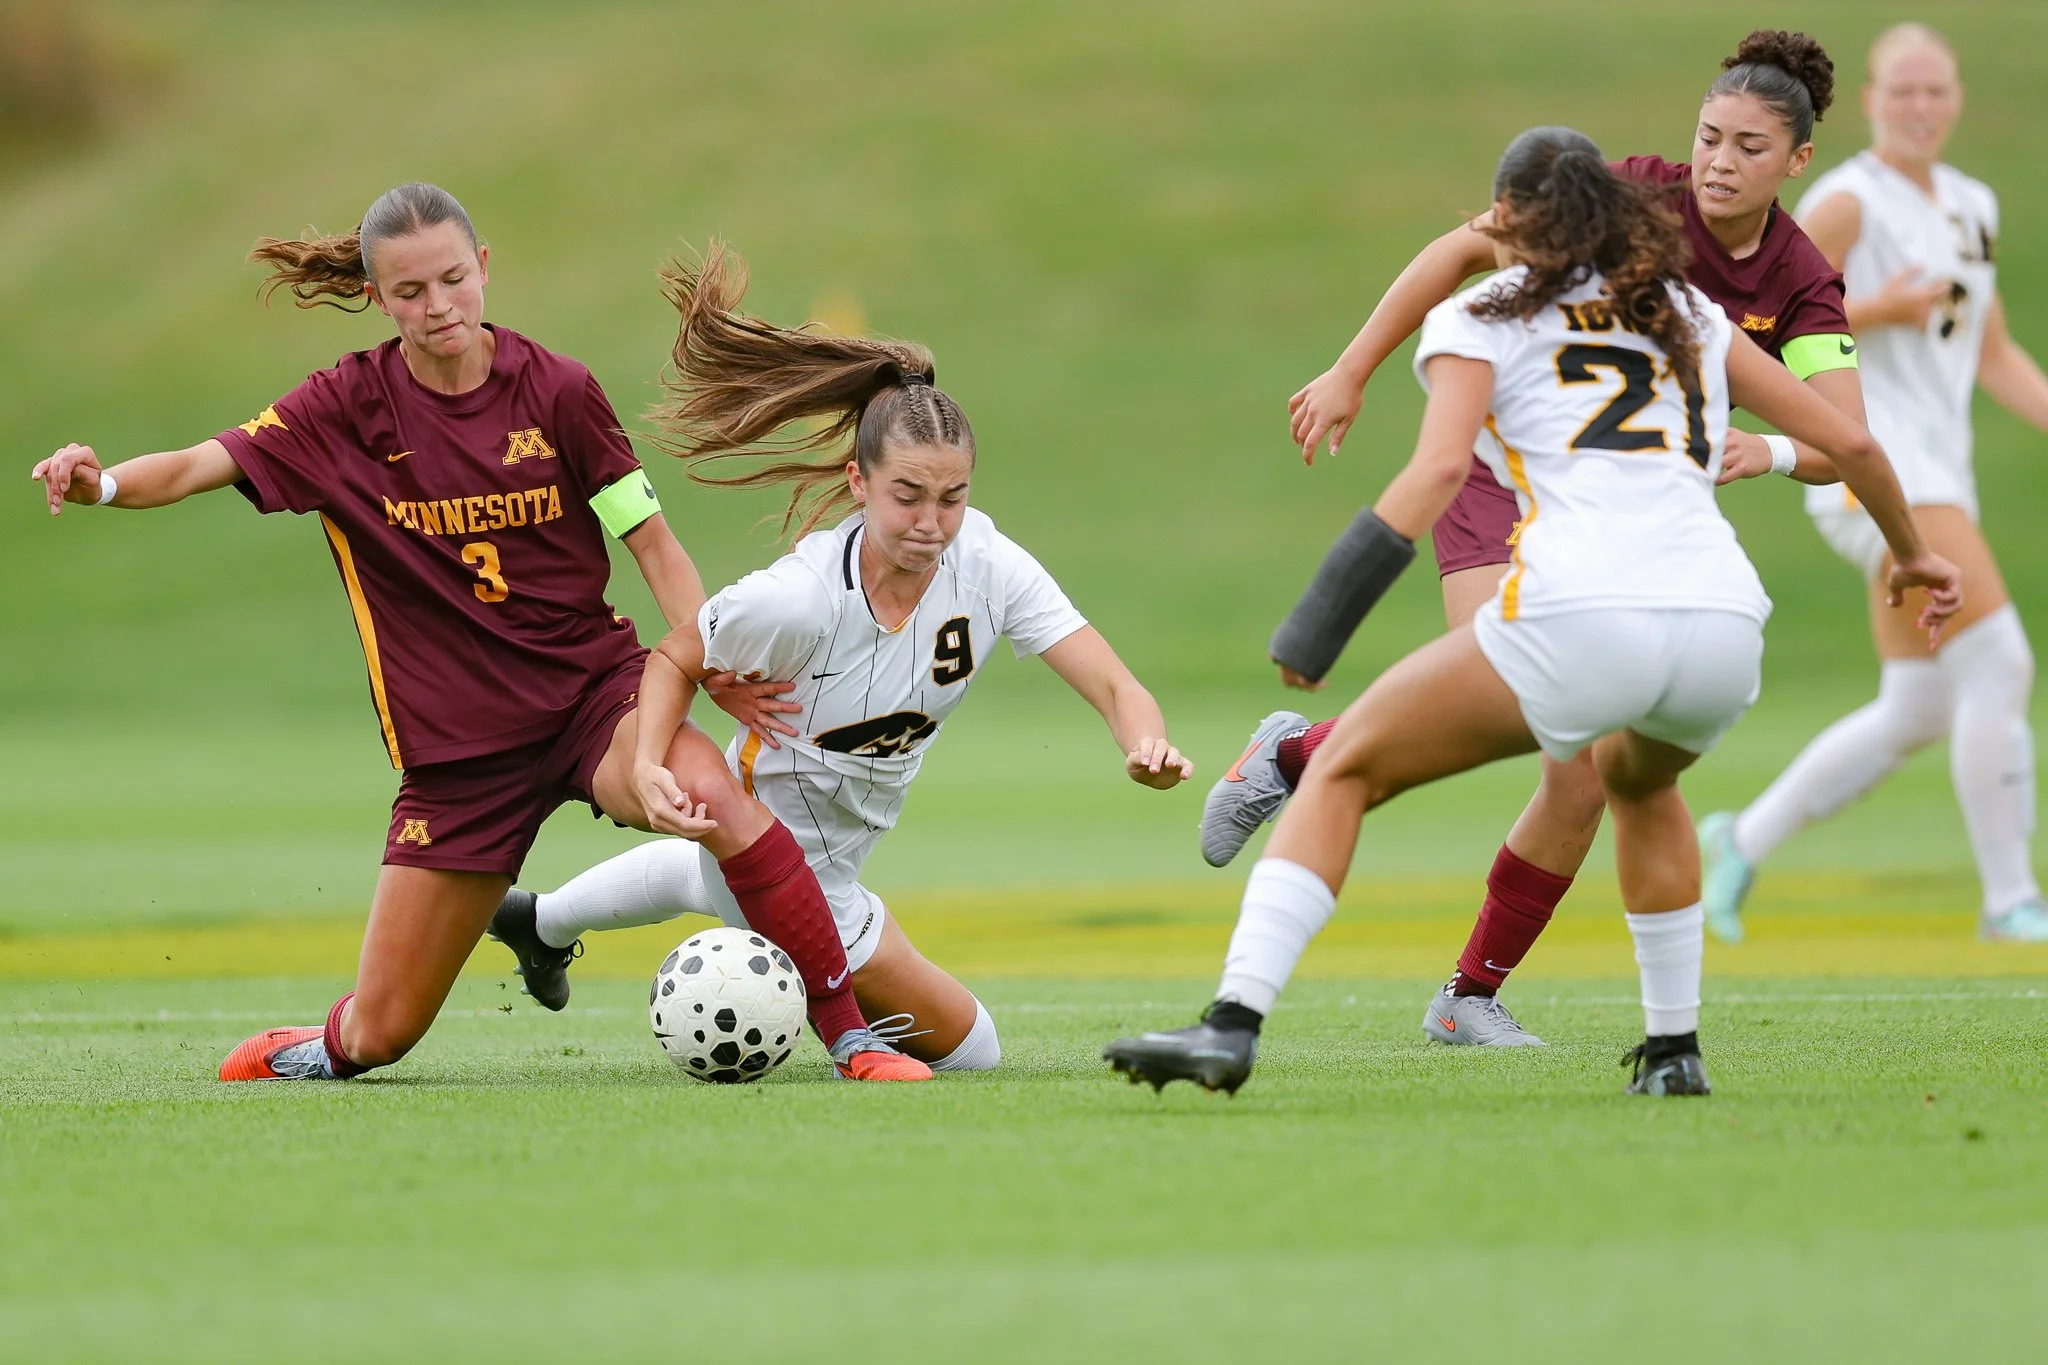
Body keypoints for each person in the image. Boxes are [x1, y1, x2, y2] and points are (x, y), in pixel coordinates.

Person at [1104, 128, 1960, 1098]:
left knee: (1342, 769)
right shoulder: (1686, 309)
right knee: (1638, 787)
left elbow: (1432, 472)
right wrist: (1913, 554)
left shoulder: (1482, 314)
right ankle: (1672, 1053)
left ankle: (1230, 1023)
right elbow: (1848, 442)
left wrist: (1315, 628)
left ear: (1504, 219)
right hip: (1723, 627)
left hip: (1585, 618)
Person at [28, 184, 930, 1085]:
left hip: (594, 699)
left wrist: (712, 661)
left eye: (454, 280)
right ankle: (317, 1041)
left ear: (485, 268)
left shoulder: (561, 393)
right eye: (411, 292)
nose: (438, 307)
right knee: (376, 1039)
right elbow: (197, 463)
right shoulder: (343, 407)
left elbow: (652, 544)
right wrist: (103, 482)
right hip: (460, 756)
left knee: (721, 804)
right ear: (381, 298)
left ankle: (854, 1040)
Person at [1199, 30, 1873, 1045]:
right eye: (1706, 137)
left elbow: (1844, 440)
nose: (1716, 163)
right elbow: (1463, 249)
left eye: (1744, 146)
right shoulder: (1626, 193)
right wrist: (1349, 369)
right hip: (1498, 468)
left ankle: (1463, 989)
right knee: (1535, 712)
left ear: (1796, 163)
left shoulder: (1801, 284)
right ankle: (1306, 760)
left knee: (1582, 761)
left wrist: (1765, 453)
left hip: (1619, 515)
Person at [485, 244, 1193, 1068]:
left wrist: (1143, 740)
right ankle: (834, 1029)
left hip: (828, 860)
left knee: (698, 872)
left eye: (953, 497)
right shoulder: (802, 597)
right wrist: (649, 761)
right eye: (908, 496)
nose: (932, 521)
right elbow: (674, 654)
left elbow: (1113, 682)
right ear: (858, 483)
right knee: (977, 1055)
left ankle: (539, 921)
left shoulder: (990, 566)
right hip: (779, 869)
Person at [1698, 25, 2048, 944]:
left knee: (1921, 705)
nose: (1920, 108)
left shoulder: (1972, 203)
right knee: (2004, 663)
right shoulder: (1850, 197)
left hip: (1942, 469)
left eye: (1936, 91)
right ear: (1875, 101)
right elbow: (1767, 303)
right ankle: (2013, 898)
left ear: (1958, 97)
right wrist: (1879, 306)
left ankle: (1741, 839)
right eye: (1902, 92)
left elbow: (1994, 351)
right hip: (1869, 466)